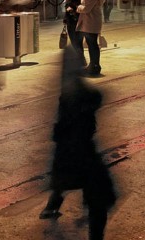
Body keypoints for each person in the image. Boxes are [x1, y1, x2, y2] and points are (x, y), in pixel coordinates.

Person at [38, 49, 116, 240]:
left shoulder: (67, 88)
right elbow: (94, 98)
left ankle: (52, 205)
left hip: (69, 150)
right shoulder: (76, 91)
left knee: (65, 180)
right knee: (98, 197)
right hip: (82, 151)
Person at [76, 0, 104, 76]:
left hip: (92, 23)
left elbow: (86, 9)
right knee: (91, 44)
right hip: (88, 23)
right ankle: (93, 65)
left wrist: (79, 7)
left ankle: (95, 66)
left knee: (93, 45)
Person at [63, 0, 86, 64]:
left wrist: (72, 10)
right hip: (70, 21)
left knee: (78, 42)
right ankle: (79, 59)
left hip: (78, 21)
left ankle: (81, 60)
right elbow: (66, 7)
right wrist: (65, 19)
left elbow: (82, 9)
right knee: (73, 41)